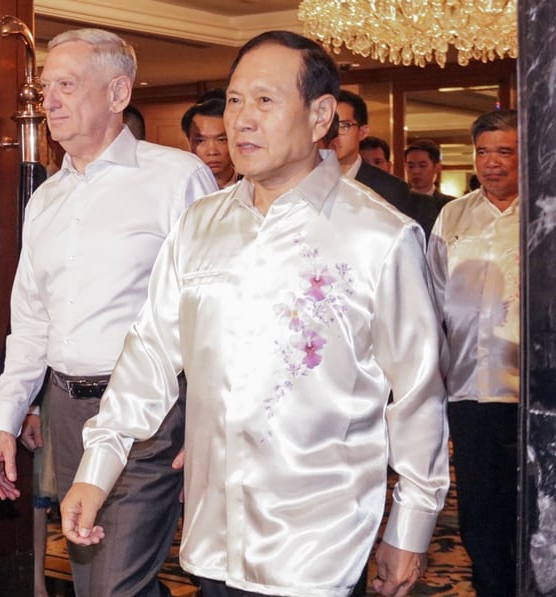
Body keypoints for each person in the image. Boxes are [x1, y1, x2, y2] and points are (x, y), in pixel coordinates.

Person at [61, 30, 450, 597]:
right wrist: (97, 470)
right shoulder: (200, 225)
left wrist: (410, 528)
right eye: (236, 100)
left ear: (321, 116)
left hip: (319, 547)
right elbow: (148, 354)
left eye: (265, 101)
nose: (242, 119)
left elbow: (417, 394)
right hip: (212, 536)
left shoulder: (380, 238)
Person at [0, 27, 216, 597]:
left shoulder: (177, 179)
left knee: (114, 586)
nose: (49, 101)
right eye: (45, 87)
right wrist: (3, 422)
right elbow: (30, 321)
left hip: (149, 415)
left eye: (66, 84)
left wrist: (209, 421)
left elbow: (210, 312)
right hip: (65, 410)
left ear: (117, 93)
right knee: (94, 582)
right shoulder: (45, 199)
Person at [426, 109, 519, 597]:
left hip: (535, 395)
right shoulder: (453, 216)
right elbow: (433, 298)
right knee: (480, 513)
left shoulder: (544, 213)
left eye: (504, 151)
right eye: (483, 152)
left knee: (537, 513)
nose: (492, 163)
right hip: (467, 389)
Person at [332, 89, 441, 233]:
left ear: (363, 132)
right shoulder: (305, 180)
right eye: (325, 125)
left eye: (343, 126)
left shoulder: (390, 189)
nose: (333, 134)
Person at [181, 89, 240, 189]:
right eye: (200, 141)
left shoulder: (254, 186)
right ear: (189, 142)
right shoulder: (181, 188)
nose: (212, 151)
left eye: (221, 140)